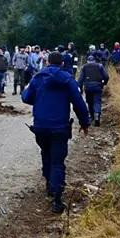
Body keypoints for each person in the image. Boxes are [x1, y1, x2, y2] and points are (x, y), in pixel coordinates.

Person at [22, 52, 90, 213]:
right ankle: (57, 199)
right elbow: (79, 103)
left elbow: (26, 97)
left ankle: (49, 184)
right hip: (60, 128)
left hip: (41, 127)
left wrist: (37, 97)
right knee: (58, 161)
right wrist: (84, 122)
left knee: (45, 153)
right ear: (62, 64)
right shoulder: (67, 79)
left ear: (47, 62)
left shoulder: (38, 78)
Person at [78, 55, 109, 126]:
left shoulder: (84, 67)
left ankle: (92, 117)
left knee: (89, 102)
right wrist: (104, 83)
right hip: (98, 87)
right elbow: (106, 76)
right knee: (97, 102)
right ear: (94, 60)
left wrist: (80, 89)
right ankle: (97, 116)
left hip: (88, 87)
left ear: (87, 61)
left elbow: (80, 80)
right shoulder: (100, 66)